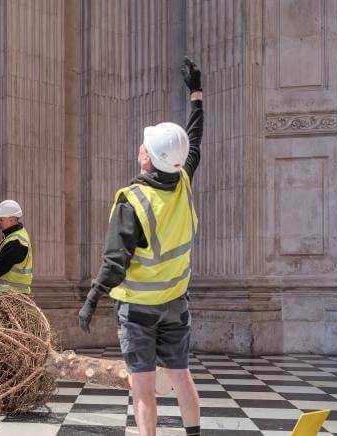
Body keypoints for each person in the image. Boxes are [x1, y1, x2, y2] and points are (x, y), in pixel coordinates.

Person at [78, 57, 204, 436]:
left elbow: (115, 262)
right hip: (176, 302)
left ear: (147, 156)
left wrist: (91, 299)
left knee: (144, 390)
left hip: (138, 310)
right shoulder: (183, 181)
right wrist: (196, 94)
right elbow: (194, 138)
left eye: (144, 144)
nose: (140, 146)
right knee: (181, 377)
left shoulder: (131, 201)